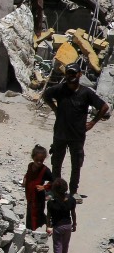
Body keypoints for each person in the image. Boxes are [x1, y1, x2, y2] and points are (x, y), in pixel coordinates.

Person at [42, 66, 110, 197]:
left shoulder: (86, 93)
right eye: (68, 73)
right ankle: (56, 189)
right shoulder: (59, 89)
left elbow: (104, 107)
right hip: (60, 133)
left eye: (74, 73)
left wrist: (92, 122)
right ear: (66, 74)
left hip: (77, 135)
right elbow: (46, 96)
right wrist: (55, 109)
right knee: (56, 162)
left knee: (76, 164)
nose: (71, 75)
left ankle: (73, 191)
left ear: (80, 74)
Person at [46, 178, 78, 253]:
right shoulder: (71, 200)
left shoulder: (51, 202)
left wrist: (48, 226)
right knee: (65, 245)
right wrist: (74, 224)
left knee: (57, 247)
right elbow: (73, 213)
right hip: (68, 225)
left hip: (58, 227)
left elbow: (48, 216)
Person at [23, 145, 52, 231]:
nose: (39, 162)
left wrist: (44, 187)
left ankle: (33, 229)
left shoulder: (45, 170)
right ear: (33, 157)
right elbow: (28, 174)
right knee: (30, 210)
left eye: (41, 160)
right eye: (37, 160)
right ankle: (30, 227)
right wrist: (25, 178)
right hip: (29, 194)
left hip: (38, 196)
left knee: (36, 212)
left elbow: (54, 181)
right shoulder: (30, 165)